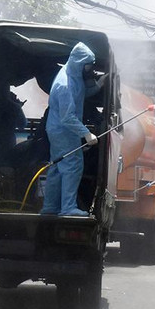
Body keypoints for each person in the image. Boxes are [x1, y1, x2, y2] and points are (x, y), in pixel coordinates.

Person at [40, 42, 98, 217]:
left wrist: (99, 85)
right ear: (80, 63)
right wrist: (86, 134)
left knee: (58, 167)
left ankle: (50, 207)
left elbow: (80, 95)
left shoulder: (72, 74)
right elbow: (67, 117)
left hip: (59, 129)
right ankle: (68, 207)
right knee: (72, 166)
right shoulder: (65, 84)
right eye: (88, 65)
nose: (90, 69)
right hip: (63, 130)